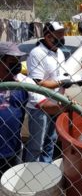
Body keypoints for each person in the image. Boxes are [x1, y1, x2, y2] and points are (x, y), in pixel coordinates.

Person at [0, 42, 70, 177]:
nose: (17, 65)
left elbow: (44, 105)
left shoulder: (24, 81)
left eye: (18, 60)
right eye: (11, 61)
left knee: (10, 182)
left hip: (11, 148)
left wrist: (63, 107)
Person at [24, 21, 75, 163]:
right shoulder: (37, 53)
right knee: (36, 145)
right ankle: (32, 172)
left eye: (62, 34)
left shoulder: (58, 52)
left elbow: (60, 75)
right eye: (59, 34)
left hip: (56, 102)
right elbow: (38, 83)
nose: (62, 37)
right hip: (40, 106)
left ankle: (45, 168)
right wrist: (60, 83)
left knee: (50, 141)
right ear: (48, 36)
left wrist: (69, 82)